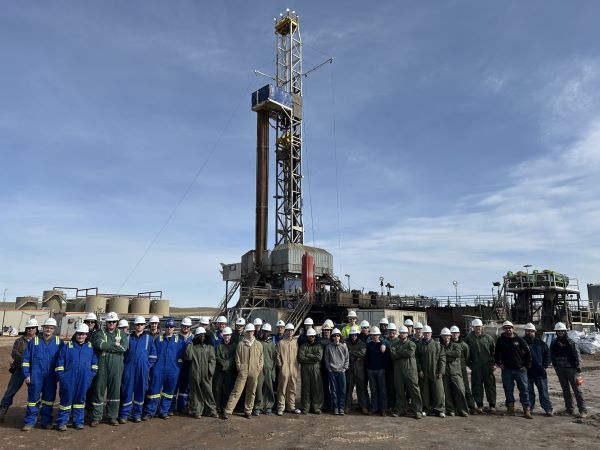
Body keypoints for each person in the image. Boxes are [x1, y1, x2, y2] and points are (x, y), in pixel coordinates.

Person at [54, 323, 98, 431]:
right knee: (66, 401)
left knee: (80, 401)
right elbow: (60, 363)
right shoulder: (67, 346)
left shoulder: (90, 347)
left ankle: (78, 422)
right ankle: (62, 422)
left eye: (83, 334)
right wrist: (62, 377)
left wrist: (90, 376)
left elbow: (94, 364)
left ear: (86, 335)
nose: (80, 336)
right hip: (68, 379)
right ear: (76, 334)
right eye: (79, 334)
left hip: (84, 379)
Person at [21, 317, 63, 431]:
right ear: (42, 328)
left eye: (51, 328)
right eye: (46, 327)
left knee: (48, 399)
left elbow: (63, 360)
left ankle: (46, 421)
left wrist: (59, 375)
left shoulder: (59, 342)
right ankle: (30, 422)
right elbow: (25, 360)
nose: (48, 329)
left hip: (51, 376)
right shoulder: (33, 341)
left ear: (54, 329)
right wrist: (26, 374)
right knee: (33, 399)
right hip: (36, 375)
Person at [90, 311, 129, 426]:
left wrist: (108, 346)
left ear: (116, 323)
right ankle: (96, 417)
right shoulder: (99, 333)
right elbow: (99, 345)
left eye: (113, 322)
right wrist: (115, 346)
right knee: (99, 389)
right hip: (102, 363)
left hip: (116, 365)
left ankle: (113, 416)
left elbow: (123, 348)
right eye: (109, 322)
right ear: (106, 323)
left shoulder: (122, 334)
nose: (111, 323)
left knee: (115, 390)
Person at [143, 318, 185, 420]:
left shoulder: (179, 340)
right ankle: (150, 412)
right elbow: (153, 353)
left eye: (171, 327)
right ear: (165, 328)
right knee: (154, 391)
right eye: (167, 327)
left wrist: (177, 367)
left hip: (172, 370)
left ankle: (164, 411)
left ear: (174, 328)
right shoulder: (159, 339)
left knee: (168, 392)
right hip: (158, 369)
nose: (169, 329)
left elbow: (183, 355)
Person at [119, 316, 156, 423]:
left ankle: (137, 414)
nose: (139, 326)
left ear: (144, 326)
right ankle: (125, 415)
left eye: (141, 324)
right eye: (137, 324)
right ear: (134, 326)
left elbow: (153, 355)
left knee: (140, 391)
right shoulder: (128, 338)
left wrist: (146, 366)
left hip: (142, 370)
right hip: (129, 369)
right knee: (127, 391)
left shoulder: (149, 338)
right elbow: (123, 354)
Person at [222, 323, 263, 419]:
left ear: (254, 332)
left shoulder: (258, 345)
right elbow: (237, 358)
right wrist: (240, 368)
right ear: (246, 332)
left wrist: (258, 369)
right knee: (237, 391)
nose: (250, 333)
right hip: (243, 371)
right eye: (248, 331)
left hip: (254, 371)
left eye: (252, 331)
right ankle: (228, 411)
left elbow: (261, 359)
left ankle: (248, 411)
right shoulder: (241, 344)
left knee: (251, 391)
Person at [0, 319, 38, 423]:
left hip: (34, 371)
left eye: (33, 328)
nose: (30, 330)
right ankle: (2, 411)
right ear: (26, 329)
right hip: (19, 369)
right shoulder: (20, 341)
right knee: (10, 391)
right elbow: (15, 354)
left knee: (35, 392)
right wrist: (26, 360)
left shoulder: (39, 341)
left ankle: (34, 414)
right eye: (29, 328)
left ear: (36, 329)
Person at [495, 321, 532, 419]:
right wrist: (499, 364)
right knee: (508, 390)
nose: (508, 329)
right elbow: (496, 354)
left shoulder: (520, 340)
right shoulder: (500, 341)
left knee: (524, 390)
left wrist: (526, 366)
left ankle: (526, 410)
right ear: (504, 329)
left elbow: (528, 353)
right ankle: (510, 409)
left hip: (520, 370)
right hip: (507, 370)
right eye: (506, 328)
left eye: (510, 328)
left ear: (513, 328)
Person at [550, 322, 587, 418]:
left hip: (572, 369)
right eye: (558, 331)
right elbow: (552, 354)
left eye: (562, 331)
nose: (560, 332)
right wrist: (555, 365)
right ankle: (569, 409)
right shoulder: (554, 342)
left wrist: (578, 367)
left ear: (565, 331)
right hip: (560, 369)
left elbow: (577, 354)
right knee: (565, 390)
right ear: (556, 332)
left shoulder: (571, 342)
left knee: (577, 390)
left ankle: (583, 410)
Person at [389, 325, 422, 419]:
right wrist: (402, 352)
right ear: (399, 333)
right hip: (398, 372)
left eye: (404, 333)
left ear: (407, 334)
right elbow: (392, 355)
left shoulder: (412, 344)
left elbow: (409, 353)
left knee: (414, 390)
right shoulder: (394, 344)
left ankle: (417, 411)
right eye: (401, 333)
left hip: (410, 371)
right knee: (399, 391)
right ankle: (400, 410)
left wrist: (398, 352)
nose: (403, 334)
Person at [464, 318, 497, 414]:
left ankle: (492, 405)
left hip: (488, 366)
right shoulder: (468, 338)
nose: (478, 328)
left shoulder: (488, 338)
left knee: (490, 385)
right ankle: (479, 405)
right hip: (475, 366)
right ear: (473, 327)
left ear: (482, 327)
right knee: (477, 385)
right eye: (476, 327)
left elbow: (493, 352)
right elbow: (466, 353)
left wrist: (494, 364)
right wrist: (468, 365)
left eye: (479, 326)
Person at [186, 327, 217, 418]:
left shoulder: (209, 347)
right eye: (200, 336)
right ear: (196, 336)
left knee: (208, 391)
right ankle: (197, 411)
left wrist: (210, 371)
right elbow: (188, 357)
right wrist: (190, 344)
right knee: (195, 392)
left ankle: (211, 410)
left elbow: (212, 359)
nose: (202, 337)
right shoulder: (193, 346)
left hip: (206, 373)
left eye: (203, 335)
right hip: (195, 372)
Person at [523, 323, 553, 416]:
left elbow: (548, 355)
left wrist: (545, 365)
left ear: (535, 332)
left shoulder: (541, 343)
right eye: (528, 331)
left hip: (540, 372)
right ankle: (530, 409)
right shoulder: (521, 342)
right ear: (525, 332)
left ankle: (548, 409)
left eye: (531, 331)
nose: (529, 333)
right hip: (527, 372)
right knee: (529, 391)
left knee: (543, 392)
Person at [416, 325, 445, 418]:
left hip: (435, 372)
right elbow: (417, 359)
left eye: (428, 333)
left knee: (438, 391)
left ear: (431, 334)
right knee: (424, 391)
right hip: (424, 372)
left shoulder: (437, 345)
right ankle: (426, 409)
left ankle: (439, 410)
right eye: (425, 333)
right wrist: (419, 370)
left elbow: (442, 358)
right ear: (423, 334)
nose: (426, 334)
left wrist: (440, 371)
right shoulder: (419, 345)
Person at [439, 328, 469, 417]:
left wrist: (444, 355)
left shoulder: (456, 345)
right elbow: (439, 357)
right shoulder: (440, 346)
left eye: (447, 335)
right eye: (444, 335)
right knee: (447, 392)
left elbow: (457, 354)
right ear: (442, 336)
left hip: (456, 372)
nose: (446, 337)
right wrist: (448, 355)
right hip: (445, 372)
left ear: (450, 336)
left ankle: (462, 410)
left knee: (460, 390)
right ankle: (450, 409)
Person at [450, 325, 476, 414]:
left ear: (459, 334)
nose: (454, 335)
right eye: (453, 333)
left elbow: (467, 357)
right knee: (454, 387)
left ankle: (471, 406)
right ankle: (456, 407)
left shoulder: (464, 345)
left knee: (466, 387)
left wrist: (466, 366)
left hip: (462, 368)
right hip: (452, 369)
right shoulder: (448, 344)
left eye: (456, 333)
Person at [276, 323, 300, 415]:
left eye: (292, 330)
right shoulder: (281, 343)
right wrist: (281, 366)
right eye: (288, 330)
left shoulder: (295, 343)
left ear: (293, 332)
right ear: (285, 331)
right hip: (284, 368)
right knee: (282, 388)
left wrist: (297, 366)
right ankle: (281, 407)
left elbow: (297, 356)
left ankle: (291, 406)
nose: (290, 332)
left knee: (292, 388)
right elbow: (277, 355)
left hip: (293, 368)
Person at [254, 323, 277, 415]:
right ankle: (258, 406)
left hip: (269, 369)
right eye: (264, 331)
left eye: (267, 332)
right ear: (261, 331)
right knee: (258, 387)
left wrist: (273, 371)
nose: (265, 333)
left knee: (269, 388)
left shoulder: (271, 344)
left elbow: (274, 359)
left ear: (270, 332)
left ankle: (268, 406)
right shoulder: (257, 342)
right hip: (259, 369)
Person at [299, 328, 323, 414]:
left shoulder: (319, 346)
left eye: (313, 336)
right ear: (307, 337)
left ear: (315, 337)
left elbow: (319, 358)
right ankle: (305, 407)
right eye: (309, 336)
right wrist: (313, 357)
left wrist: (308, 355)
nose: (311, 338)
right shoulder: (303, 346)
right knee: (306, 388)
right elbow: (301, 358)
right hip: (305, 369)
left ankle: (316, 407)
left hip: (316, 369)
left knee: (316, 388)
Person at [345, 325, 369, 414]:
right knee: (349, 388)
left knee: (361, 388)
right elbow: (346, 354)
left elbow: (363, 353)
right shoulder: (347, 344)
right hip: (350, 368)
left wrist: (352, 352)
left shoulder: (362, 343)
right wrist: (356, 355)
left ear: (357, 335)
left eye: (355, 335)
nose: (354, 336)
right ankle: (347, 406)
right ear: (350, 335)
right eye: (352, 335)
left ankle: (363, 406)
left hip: (360, 369)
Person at [325, 328, 349, 415]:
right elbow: (326, 359)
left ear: (340, 337)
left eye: (338, 335)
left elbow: (347, 359)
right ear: (332, 337)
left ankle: (341, 407)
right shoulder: (328, 347)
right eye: (334, 336)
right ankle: (335, 407)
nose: (336, 337)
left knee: (342, 390)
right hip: (332, 371)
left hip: (341, 372)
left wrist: (344, 369)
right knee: (333, 390)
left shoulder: (343, 347)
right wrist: (329, 369)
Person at [173, 316, 193, 415]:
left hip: (188, 366)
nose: (185, 328)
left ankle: (183, 407)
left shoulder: (193, 338)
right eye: (184, 326)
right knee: (174, 386)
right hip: (177, 365)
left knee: (185, 388)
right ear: (181, 326)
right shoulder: (176, 337)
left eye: (187, 326)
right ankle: (172, 407)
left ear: (190, 327)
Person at [365, 326, 387, 416]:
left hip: (380, 370)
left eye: (376, 335)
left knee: (382, 390)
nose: (375, 336)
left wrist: (383, 369)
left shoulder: (383, 344)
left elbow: (385, 358)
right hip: (371, 370)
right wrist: (367, 368)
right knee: (373, 390)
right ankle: (374, 408)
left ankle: (383, 409)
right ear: (371, 336)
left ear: (379, 335)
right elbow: (366, 358)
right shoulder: (369, 345)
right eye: (373, 335)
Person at [214, 327, 237, 414]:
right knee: (217, 389)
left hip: (230, 372)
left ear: (231, 335)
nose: (227, 336)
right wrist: (223, 364)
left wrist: (227, 364)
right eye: (225, 335)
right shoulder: (219, 345)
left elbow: (234, 358)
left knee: (227, 390)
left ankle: (225, 407)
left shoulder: (234, 346)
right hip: (220, 371)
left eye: (228, 335)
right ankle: (217, 407)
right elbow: (217, 357)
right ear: (223, 335)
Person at [319, 319, 334, 411]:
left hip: (333, 367)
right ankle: (327, 404)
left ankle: (333, 404)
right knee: (325, 386)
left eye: (328, 330)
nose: (326, 331)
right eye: (325, 330)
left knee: (333, 386)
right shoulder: (320, 341)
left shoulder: (333, 340)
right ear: (323, 331)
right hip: (323, 367)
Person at [384, 322, 396, 416]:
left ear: (396, 332)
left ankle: (397, 405)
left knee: (398, 388)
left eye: (393, 331)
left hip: (397, 368)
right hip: (388, 367)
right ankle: (390, 405)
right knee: (389, 387)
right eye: (390, 331)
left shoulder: (398, 341)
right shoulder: (385, 340)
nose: (392, 332)